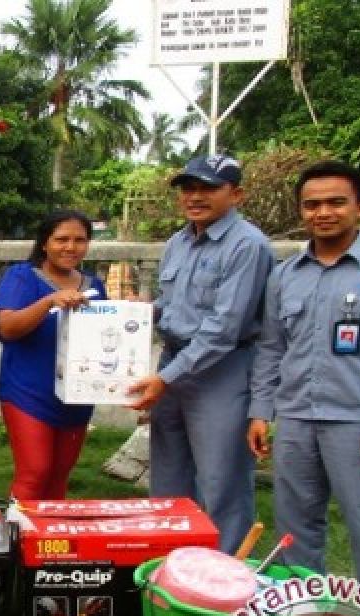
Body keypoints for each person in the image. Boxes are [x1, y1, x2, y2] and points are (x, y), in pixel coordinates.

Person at [248, 160, 360, 613]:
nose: (322, 212)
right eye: (311, 204)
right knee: (295, 527)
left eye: (335, 202)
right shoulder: (286, 275)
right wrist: (261, 411)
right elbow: (271, 348)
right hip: (296, 419)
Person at [126, 154, 274, 553]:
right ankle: (170, 572)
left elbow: (224, 330)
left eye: (208, 188)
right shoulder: (179, 241)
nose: (195, 196)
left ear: (236, 194)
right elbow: (171, 305)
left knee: (221, 483)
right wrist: (132, 313)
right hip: (172, 364)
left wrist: (165, 378)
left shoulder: (248, 246)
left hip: (221, 370)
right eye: (189, 188)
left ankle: (227, 585)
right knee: (169, 477)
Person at [0, 209, 107, 502]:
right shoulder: (22, 277)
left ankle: (49, 545)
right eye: (61, 239)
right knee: (35, 472)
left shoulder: (95, 287)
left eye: (79, 240)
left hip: (76, 396)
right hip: (28, 391)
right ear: (45, 243)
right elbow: (7, 328)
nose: (70, 247)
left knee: (58, 477)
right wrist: (48, 302)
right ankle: (16, 542)